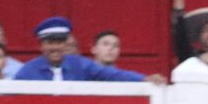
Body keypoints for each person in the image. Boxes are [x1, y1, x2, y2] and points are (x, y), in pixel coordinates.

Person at [16, 17, 165, 84]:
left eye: (60, 42)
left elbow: (112, 74)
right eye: (50, 43)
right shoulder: (28, 70)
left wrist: (144, 79)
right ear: (41, 46)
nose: (55, 48)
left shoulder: (80, 64)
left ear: (66, 45)